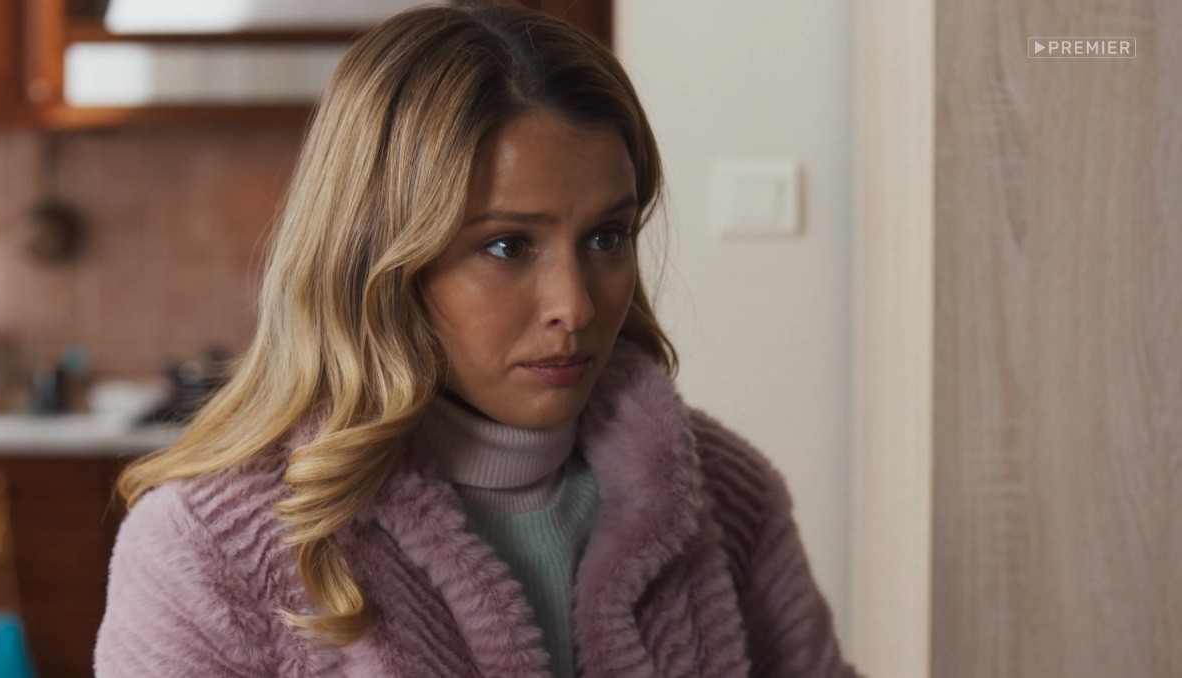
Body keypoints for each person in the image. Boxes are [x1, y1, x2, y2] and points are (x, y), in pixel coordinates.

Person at [94, 3, 861, 677]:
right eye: (506, 246)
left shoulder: (724, 495)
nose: (573, 305)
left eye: (605, 237)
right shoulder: (207, 549)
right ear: (380, 262)